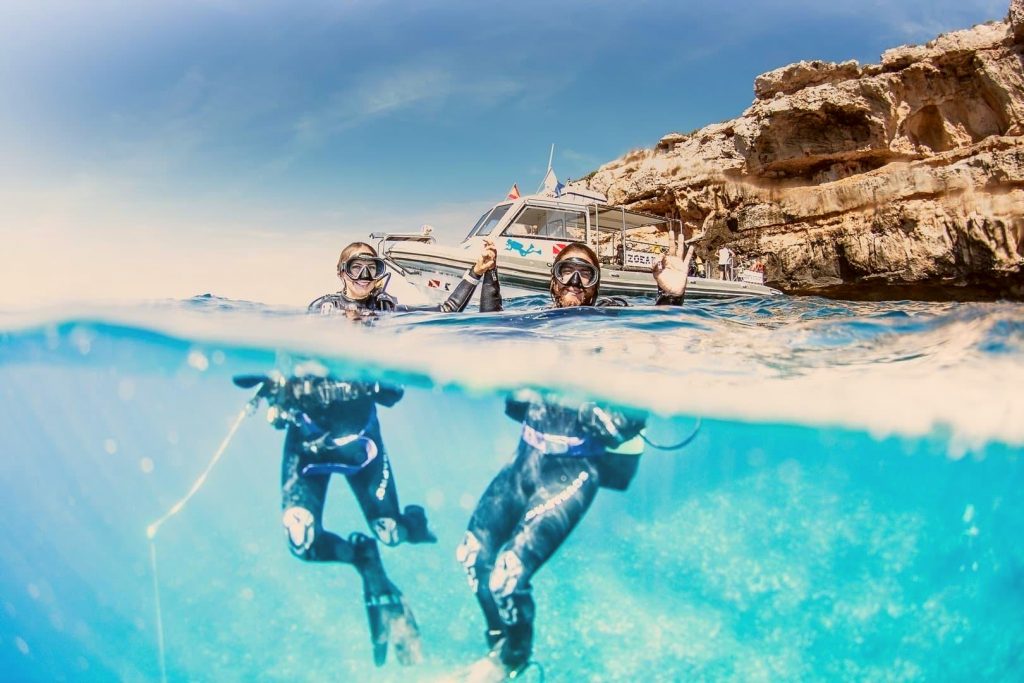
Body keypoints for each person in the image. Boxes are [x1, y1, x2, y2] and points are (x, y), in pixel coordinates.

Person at [237, 238, 497, 667]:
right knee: (301, 542)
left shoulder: (389, 313)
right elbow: (284, 359)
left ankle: (410, 525)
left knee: (393, 532)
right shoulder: (320, 312)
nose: (363, 278)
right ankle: (361, 557)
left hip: (362, 445)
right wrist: (278, 389)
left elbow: (446, 315)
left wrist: (475, 272)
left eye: (370, 268)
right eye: (354, 269)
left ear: (380, 274)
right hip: (308, 447)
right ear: (340, 274)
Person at [454, 240, 691, 680]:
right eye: (567, 272)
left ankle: (513, 663)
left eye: (587, 274)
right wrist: (488, 278)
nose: (576, 284)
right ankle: (497, 641)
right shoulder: (534, 321)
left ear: (599, 285)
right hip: (526, 459)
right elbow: (488, 336)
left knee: (507, 575)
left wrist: (671, 298)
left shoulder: (612, 322)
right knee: (472, 557)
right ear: (552, 279)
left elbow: (659, 351)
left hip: (575, 469)